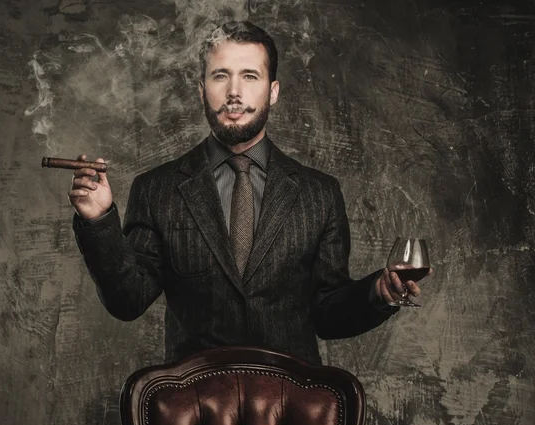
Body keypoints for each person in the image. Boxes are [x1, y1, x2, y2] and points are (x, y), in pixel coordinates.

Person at [69, 20, 428, 365]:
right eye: (220, 76)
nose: (234, 92)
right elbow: (127, 300)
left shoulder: (319, 194)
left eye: (250, 76)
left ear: (272, 90)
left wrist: (375, 294)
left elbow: (327, 314)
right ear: (201, 88)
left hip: (290, 406)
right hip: (192, 409)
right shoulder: (157, 189)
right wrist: (98, 219)